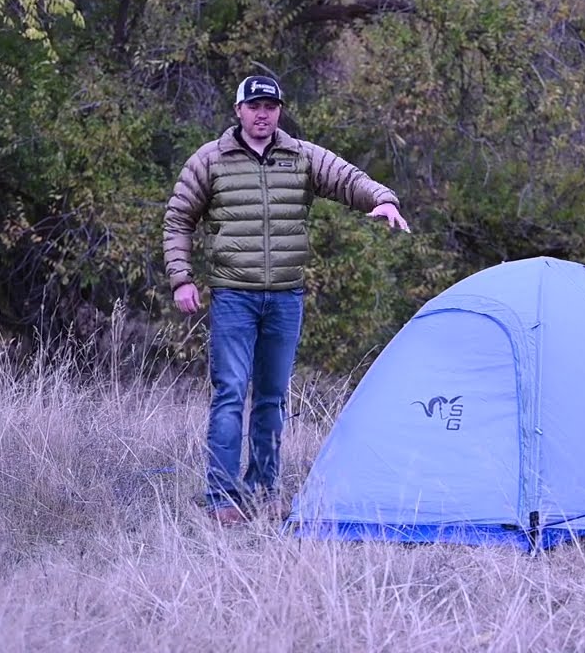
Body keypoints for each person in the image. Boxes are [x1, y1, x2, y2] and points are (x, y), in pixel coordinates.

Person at [163, 75, 410, 526]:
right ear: (238, 110)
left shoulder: (300, 155)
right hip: (233, 296)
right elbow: (178, 218)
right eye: (254, 106)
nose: (263, 114)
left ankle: (263, 491)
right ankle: (221, 499)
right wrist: (182, 278)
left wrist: (383, 199)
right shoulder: (210, 160)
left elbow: (347, 178)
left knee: (272, 397)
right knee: (231, 393)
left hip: (284, 297)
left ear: (279, 111)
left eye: (271, 106)